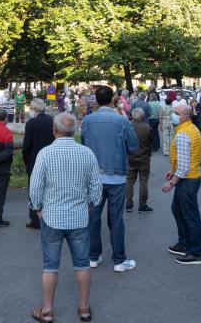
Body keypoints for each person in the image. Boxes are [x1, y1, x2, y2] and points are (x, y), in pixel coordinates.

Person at [29, 112, 102, 323]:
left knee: (50, 266)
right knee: (82, 264)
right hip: (79, 217)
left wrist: (37, 207)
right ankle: (84, 309)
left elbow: (35, 186)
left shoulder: (45, 154)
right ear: (75, 130)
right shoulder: (87, 153)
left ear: (54, 130)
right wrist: (90, 206)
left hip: (51, 217)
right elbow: (96, 187)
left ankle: (47, 311)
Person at [81, 85, 138, 272]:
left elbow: (84, 144)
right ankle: (119, 260)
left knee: (93, 218)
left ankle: (93, 255)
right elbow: (133, 146)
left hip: (94, 176)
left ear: (96, 100)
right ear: (113, 99)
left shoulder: (88, 120)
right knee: (116, 219)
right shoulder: (121, 121)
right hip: (116, 176)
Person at [162, 103, 201, 265]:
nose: (173, 115)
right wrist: (173, 170)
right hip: (191, 177)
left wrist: (171, 183)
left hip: (188, 180)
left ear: (185, 116)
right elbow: (186, 158)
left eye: (176, 113)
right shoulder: (191, 129)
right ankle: (184, 244)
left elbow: (184, 167)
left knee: (190, 216)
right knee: (179, 210)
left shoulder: (183, 134)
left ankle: (195, 252)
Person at [22, 98, 54, 229]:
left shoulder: (31, 123)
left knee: (34, 190)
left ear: (34, 109)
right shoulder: (52, 120)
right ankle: (50, 216)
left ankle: (35, 219)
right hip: (51, 160)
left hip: (34, 161)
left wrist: (26, 161)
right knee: (49, 189)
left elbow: (26, 145)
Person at [125, 108, 154, 213]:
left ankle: (129, 203)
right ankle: (142, 204)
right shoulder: (147, 128)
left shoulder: (127, 126)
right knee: (143, 181)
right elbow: (150, 142)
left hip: (130, 158)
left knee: (129, 181)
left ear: (132, 116)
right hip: (144, 158)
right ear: (142, 116)